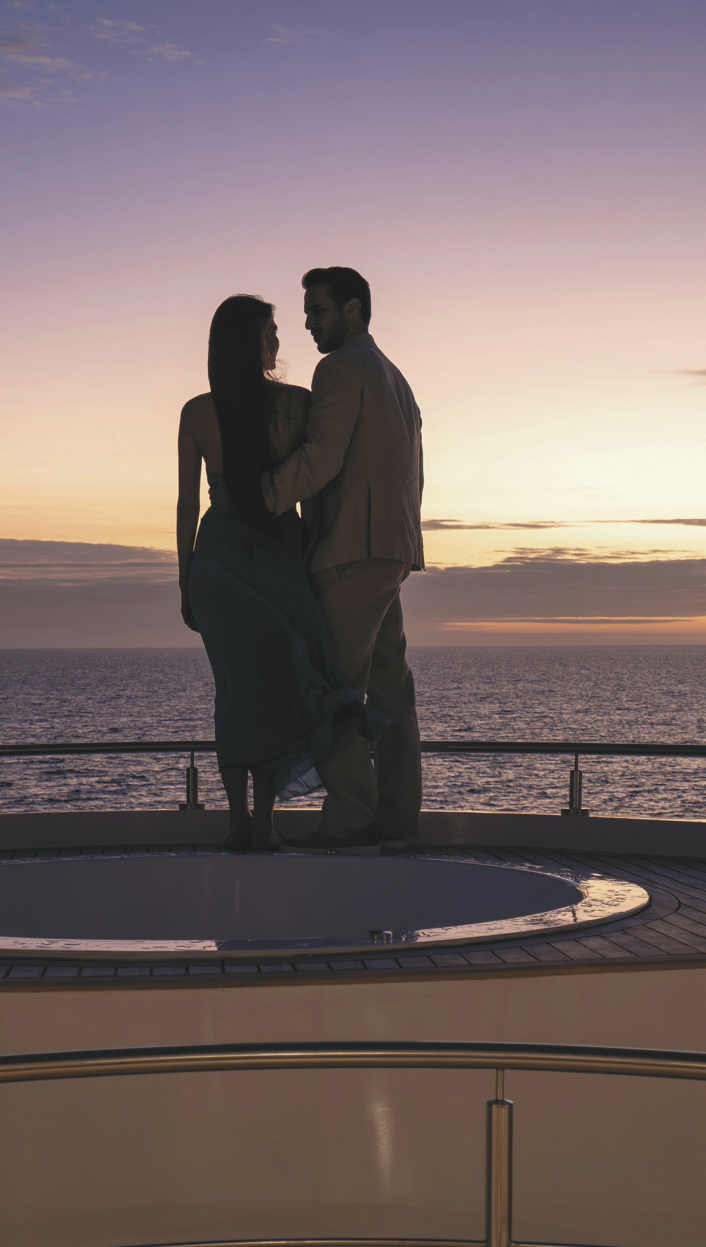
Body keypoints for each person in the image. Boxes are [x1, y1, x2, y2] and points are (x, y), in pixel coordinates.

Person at [176, 294, 373, 853]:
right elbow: (311, 495)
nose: (280, 341)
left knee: (235, 693)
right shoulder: (295, 405)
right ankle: (262, 822)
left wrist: (185, 581)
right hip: (278, 556)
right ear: (255, 343)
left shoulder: (197, 412)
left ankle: (240, 823)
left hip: (217, 560)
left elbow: (188, 506)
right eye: (272, 332)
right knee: (278, 690)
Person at [260, 266, 424, 853]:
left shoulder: (340, 369)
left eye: (318, 311)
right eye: (307, 313)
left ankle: (351, 817)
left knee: (332, 688)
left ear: (352, 310)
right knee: (391, 692)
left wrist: (261, 496)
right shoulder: (395, 378)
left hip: (351, 552)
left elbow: (321, 457)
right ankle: (399, 820)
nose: (308, 324)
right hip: (392, 551)